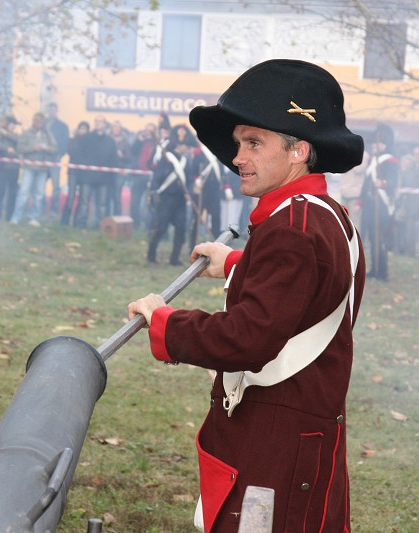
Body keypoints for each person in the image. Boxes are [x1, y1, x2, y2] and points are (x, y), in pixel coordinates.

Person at [127, 59, 365, 533]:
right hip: (303, 430)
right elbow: (305, 290)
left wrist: (164, 321)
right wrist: (235, 263)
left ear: (298, 151)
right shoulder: (323, 215)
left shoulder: (292, 230)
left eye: (254, 143)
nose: (238, 157)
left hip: (276, 438)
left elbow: (248, 338)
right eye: (239, 144)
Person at [145, 127, 194, 266]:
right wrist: (153, 191)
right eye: (185, 145)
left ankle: (174, 259)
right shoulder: (166, 158)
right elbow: (157, 177)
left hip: (180, 201)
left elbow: (189, 179)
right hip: (166, 199)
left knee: (180, 230)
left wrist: (190, 192)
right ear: (179, 145)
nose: (187, 148)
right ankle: (151, 255)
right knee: (160, 229)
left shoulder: (185, 161)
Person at [360, 123, 398, 280]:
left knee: (379, 238)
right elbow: (366, 182)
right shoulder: (372, 161)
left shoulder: (390, 161)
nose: (374, 146)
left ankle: (382, 272)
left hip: (380, 205)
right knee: (371, 238)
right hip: (370, 205)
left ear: (384, 144)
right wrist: (361, 200)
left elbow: (392, 180)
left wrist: (384, 183)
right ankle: (374, 269)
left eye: (377, 143)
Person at [12, 112, 57, 226]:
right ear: (33, 121)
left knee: (39, 194)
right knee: (23, 192)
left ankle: (34, 217)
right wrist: (33, 148)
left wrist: (46, 148)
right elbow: (19, 147)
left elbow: (55, 148)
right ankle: (16, 217)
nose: (39, 124)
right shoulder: (27, 133)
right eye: (37, 121)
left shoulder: (48, 134)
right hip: (29, 167)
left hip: (42, 168)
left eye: (41, 122)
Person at [75, 116, 118, 229]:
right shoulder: (86, 138)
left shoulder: (110, 141)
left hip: (104, 178)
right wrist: (84, 168)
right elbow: (80, 154)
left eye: (101, 121)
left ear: (105, 124)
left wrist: (110, 174)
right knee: (84, 202)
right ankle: (81, 224)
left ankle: (101, 226)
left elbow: (113, 159)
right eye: (96, 121)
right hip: (87, 176)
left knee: (102, 204)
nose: (98, 123)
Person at [0, 115, 21, 221]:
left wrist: (7, 135)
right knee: (1, 191)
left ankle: (9, 215)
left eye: (14, 125)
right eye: (11, 124)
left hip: (14, 167)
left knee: (12, 193)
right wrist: (7, 148)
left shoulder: (16, 136)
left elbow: (19, 145)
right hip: (3, 167)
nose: (13, 126)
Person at [61, 121, 92, 226]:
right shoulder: (73, 140)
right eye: (81, 128)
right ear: (78, 129)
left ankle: (78, 222)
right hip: (73, 171)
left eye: (85, 128)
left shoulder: (90, 142)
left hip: (85, 173)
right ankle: (64, 221)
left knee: (83, 198)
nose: (83, 130)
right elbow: (70, 151)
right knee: (71, 196)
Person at [129, 122, 158, 230]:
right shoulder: (139, 141)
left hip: (151, 175)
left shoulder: (157, 143)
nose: (148, 133)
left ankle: (148, 226)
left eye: (151, 130)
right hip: (138, 174)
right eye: (147, 130)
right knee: (135, 200)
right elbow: (132, 152)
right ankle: (134, 224)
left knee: (149, 203)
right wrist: (139, 140)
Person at [44, 102, 69, 215]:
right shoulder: (42, 124)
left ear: (56, 111)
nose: (51, 112)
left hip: (55, 159)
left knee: (56, 186)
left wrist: (59, 154)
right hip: (42, 159)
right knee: (40, 185)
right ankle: (41, 208)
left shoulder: (62, 126)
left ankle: (54, 209)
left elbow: (65, 143)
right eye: (50, 110)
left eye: (53, 110)